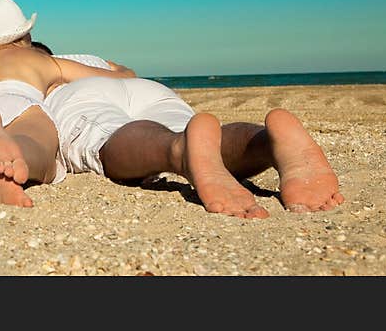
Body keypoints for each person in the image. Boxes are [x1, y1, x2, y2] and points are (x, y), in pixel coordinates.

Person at [32, 43, 345, 218]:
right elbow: (127, 72)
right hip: (144, 88)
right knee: (203, 141)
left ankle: (176, 151)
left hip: (76, 96)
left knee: (109, 138)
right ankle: (265, 142)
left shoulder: (22, 65)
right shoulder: (90, 57)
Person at [0, 0, 135, 207]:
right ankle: (17, 160)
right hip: (18, 101)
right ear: (25, 35)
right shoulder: (39, 59)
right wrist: (121, 69)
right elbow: (116, 79)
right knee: (34, 143)